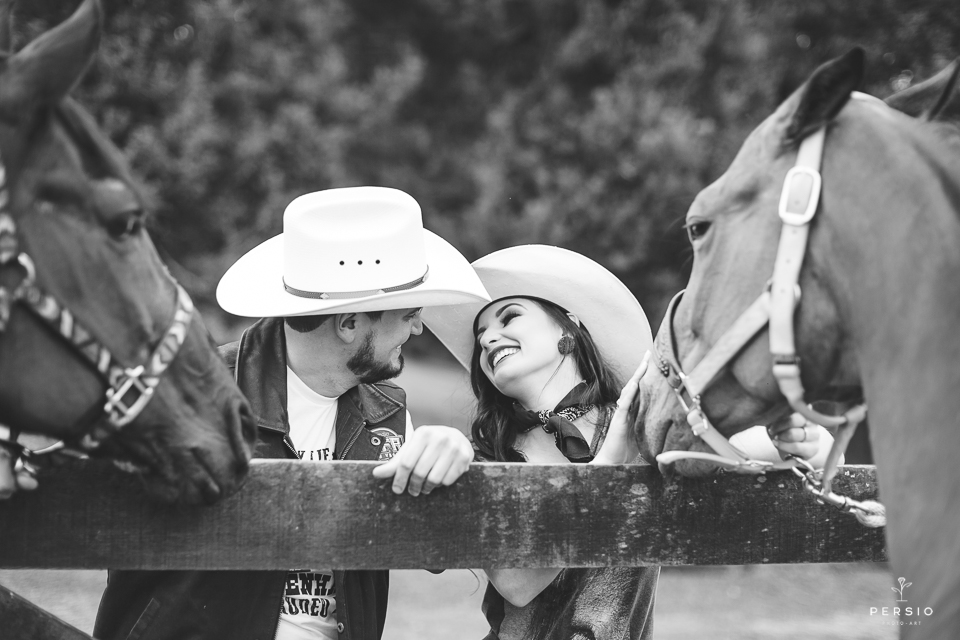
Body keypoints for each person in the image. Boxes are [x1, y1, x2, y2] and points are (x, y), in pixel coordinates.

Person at [93, 186, 490, 640]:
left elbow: (434, 549)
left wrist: (457, 457)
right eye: (409, 314)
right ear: (349, 325)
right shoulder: (190, 391)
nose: (419, 327)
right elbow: (84, 479)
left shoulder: (389, 414)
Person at [422, 245, 834, 640]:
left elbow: (772, 448)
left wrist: (801, 442)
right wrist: (609, 466)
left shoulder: (645, 423)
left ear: (570, 326)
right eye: (481, 337)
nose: (488, 339)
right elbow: (518, 584)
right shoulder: (485, 457)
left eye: (508, 318)